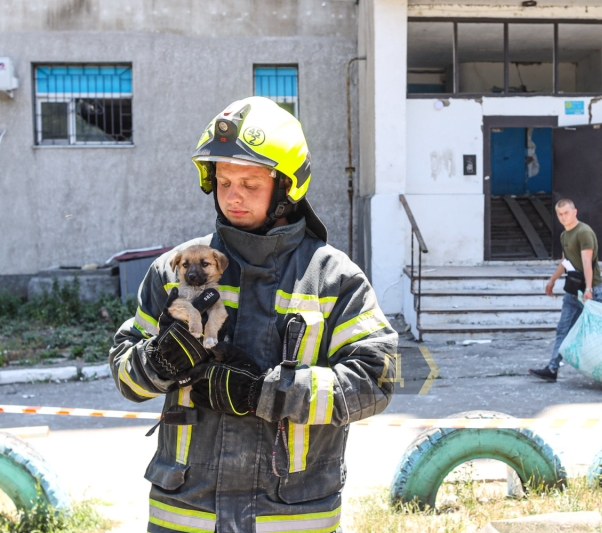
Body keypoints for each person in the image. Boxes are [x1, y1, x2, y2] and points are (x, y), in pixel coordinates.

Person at [109, 97, 397, 533]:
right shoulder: (176, 270)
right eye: (223, 181)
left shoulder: (333, 278)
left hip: (289, 515)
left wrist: (266, 395)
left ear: (287, 188)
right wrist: (158, 361)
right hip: (188, 513)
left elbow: (376, 380)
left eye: (250, 183)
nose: (233, 196)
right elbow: (125, 376)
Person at [529, 199, 602, 382]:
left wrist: (588, 289)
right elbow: (565, 261)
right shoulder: (565, 235)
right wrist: (552, 280)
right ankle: (552, 369)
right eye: (560, 214)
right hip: (573, 290)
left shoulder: (584, 232)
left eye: (566, 213)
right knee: (563, 329)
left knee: (595, 332)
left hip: (591, 290)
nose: (563, 217)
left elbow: (587, 263)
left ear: (575, 212)